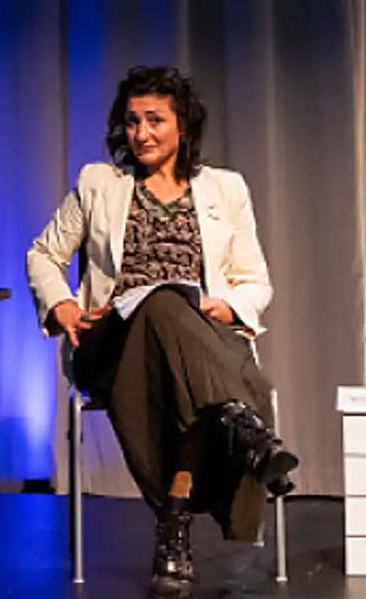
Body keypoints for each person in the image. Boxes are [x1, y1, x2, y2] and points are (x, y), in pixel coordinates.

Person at [24, 65, 298, 597]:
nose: (141, 133)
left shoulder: (226, 189)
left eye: (154, 120)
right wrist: (62, 306)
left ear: (183, 126)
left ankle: (173, 524)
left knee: (178, 325)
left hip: (200, 343)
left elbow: (256, 281)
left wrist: (228, 305)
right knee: (163, 304)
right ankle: (242, 426)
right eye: (131, 121)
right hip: (114, 343)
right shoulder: (98, 184)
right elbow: (42, 254)